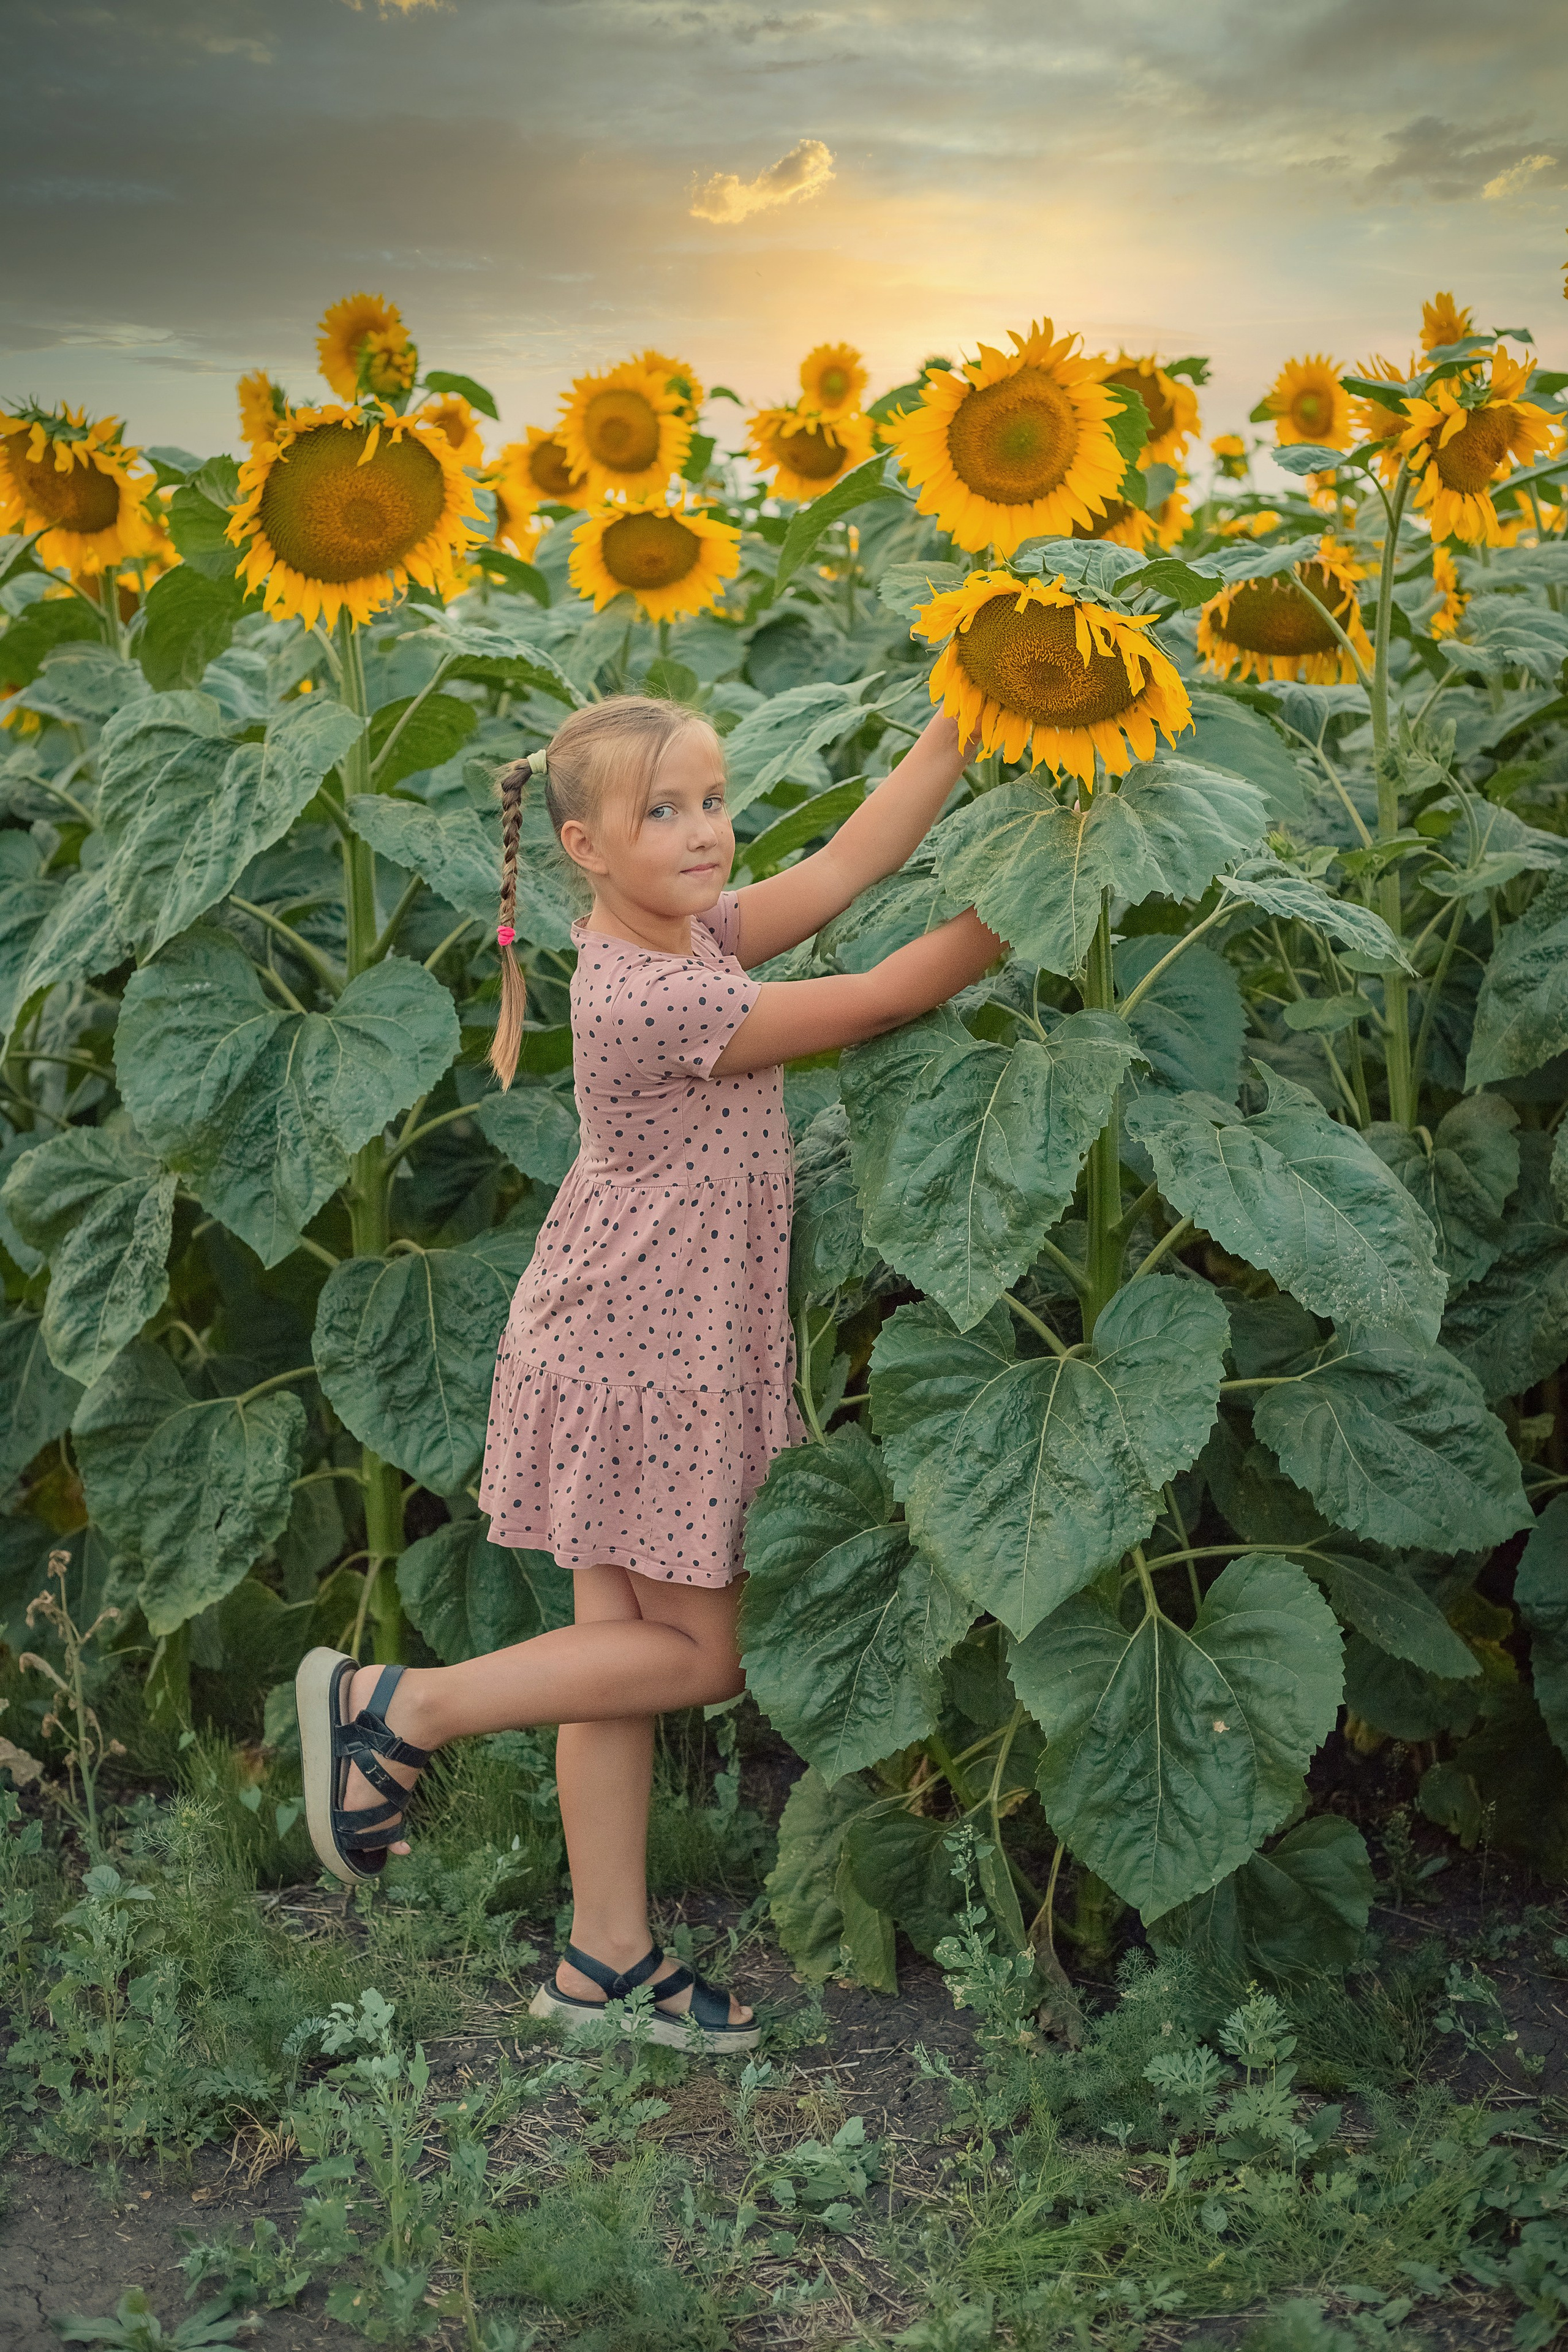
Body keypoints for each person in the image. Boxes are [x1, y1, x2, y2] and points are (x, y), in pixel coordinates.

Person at [298, 693, 1005, 2051]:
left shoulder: (678, 936)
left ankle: (604, 1962)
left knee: (610, 1661)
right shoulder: (659, 995)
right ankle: (402, 1705)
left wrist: (956, 730)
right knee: (700, 1653)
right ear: (584, 846)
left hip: (621, 1335)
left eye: (712, 802)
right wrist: (1036, 898)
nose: (703, 832)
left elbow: (842, 868)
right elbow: (882, 996)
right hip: (649, 1360)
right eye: (662, 812)